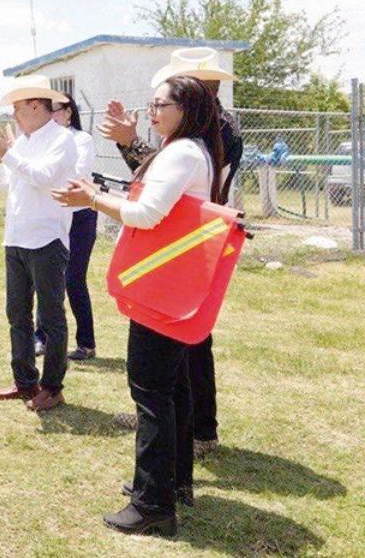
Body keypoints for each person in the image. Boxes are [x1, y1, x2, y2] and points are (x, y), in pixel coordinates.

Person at [54, 75, 226, 536]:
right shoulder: (191, 151)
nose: (151, 111)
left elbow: (146, 213)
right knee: (173, 389)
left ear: (185, 109)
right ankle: (173, 484)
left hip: (162, 285)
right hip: (175, 284)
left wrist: (91, 196)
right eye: (150, 104)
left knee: (150, 390)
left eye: (159, 104)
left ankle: (153, 503)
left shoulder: (183, 152)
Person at [99, 47, 241, 457]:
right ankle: (175, 423)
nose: (159, 105)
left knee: (191, 339)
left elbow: (167, 186)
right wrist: (132, 144)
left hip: (191, 245)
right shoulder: (196, 132)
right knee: (177, 346)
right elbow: (157, 177)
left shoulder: (216, 130)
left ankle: (199, 430)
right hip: (179, 241)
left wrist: (133, 144)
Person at [0, 75, 78, 412]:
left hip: (47, 239)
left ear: (36, 106)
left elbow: (42, 177)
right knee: (17, 313)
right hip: (17, 238)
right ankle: (25, 382)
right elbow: (3, 181)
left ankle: (53, 386)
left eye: (18, 108)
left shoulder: (62, 140)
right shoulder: (22, 142)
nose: (15, 115)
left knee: (51, 318)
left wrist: (7, 154)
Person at [33, 93, 99, 361]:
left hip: (80, 217)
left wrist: (43, 178)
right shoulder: (42, 141)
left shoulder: (81, 140)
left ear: (69, 112)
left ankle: (86, 343)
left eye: (56, 110)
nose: (52, 115)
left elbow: (74, 177)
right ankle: (42, 337)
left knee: (73, 279)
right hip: (53, 215)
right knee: (45, 277)